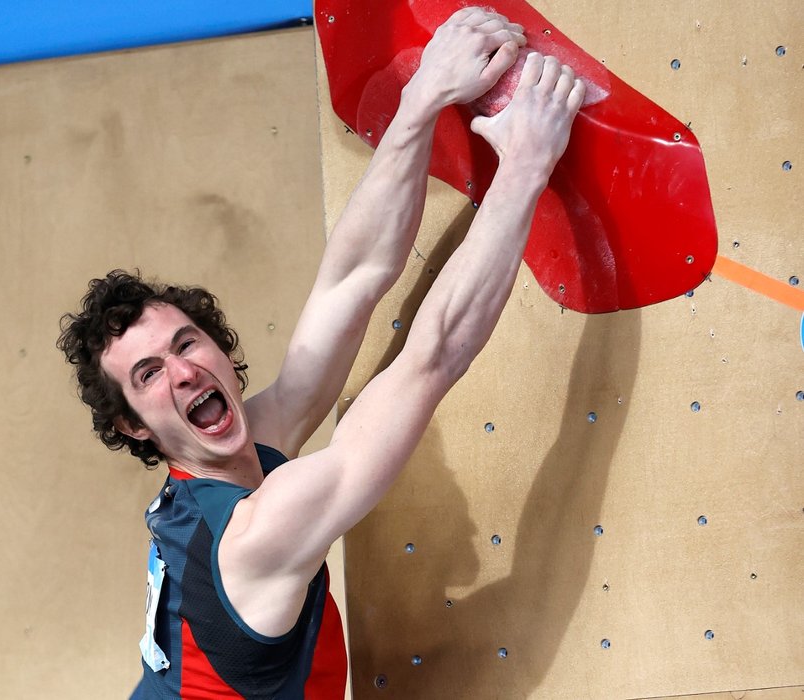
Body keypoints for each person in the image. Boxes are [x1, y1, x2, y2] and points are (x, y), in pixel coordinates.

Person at [57, 7, 585, 698]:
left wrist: (423, 96)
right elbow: (434, 358)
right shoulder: (258, 532)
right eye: (150, 375)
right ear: (132, 425)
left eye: (187, 342)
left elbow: (353, 279)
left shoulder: (233, 467)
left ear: (220, 346)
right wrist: (525, 164)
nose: (184, 370)